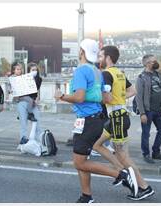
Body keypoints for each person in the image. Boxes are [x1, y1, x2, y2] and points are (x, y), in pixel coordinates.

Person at [54, 39, 138, 203]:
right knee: (82, 160)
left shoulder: (81, 71)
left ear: (81, 52)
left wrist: (61, 96)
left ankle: (121, 174)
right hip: (95, 121)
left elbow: (79, 97)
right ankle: (86, 196)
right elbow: (106, 98)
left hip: (87, 121)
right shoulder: (97, 72)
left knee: (79, 163)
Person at [92, 46, 154, 201]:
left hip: (117, 119)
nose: (99, 59)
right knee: (96, 145)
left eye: (100, 56)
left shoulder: (106, 73)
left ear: (108, 58)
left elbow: (106, 98)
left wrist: (92, 97)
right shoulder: (118, 72)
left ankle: (144, 187)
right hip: (118, 117)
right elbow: (132, 91)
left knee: (123, 156)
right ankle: (121, 172)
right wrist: (119, 99)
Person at [135, 54, 161, 162]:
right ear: (147, 63)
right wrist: (142, 113)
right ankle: (146, 154)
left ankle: (156, 152)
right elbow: (139, 97)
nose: (155, 62)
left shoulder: (159, 75)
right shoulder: (141, 78)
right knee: (146, 133)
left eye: (155, 60)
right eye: (153, 61)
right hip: (147, 111)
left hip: (158, 110)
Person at [11, 62, 42, 145]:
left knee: (37, 122)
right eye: (32, 70)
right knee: (23, 123)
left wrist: (37, 99)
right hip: (22, 101)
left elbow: (37, 91)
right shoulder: (21, 78)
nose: (34, 71)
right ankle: (23, 140)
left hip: (32, 102)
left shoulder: (38, 79)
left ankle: (39, 140)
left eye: (36, 70)